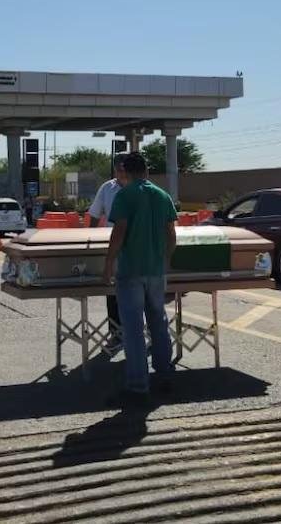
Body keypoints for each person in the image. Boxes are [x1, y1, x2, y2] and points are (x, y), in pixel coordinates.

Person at [102, 151, 178, 405]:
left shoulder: (125, 195)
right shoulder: (162, 195)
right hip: (156, 271)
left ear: (125, 171)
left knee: (133, 328)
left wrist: (108, 263)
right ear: (146, 170)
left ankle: (138, 385)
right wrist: (163, 260)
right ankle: (165, 374)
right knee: (158, 320)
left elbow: (119, 231)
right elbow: (171, 235)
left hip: (130, 270)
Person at [88, 153, 129, 350]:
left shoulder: (140, 187)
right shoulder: (107, 188)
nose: (121, 171)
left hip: (136, 244)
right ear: (114, 169)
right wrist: (90, 238)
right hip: (113, 243)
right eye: (118, 168)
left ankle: (140, 332)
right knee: (113, 292)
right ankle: (116, 333)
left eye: (124, 167)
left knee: (137, 292)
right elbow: (95, 214)